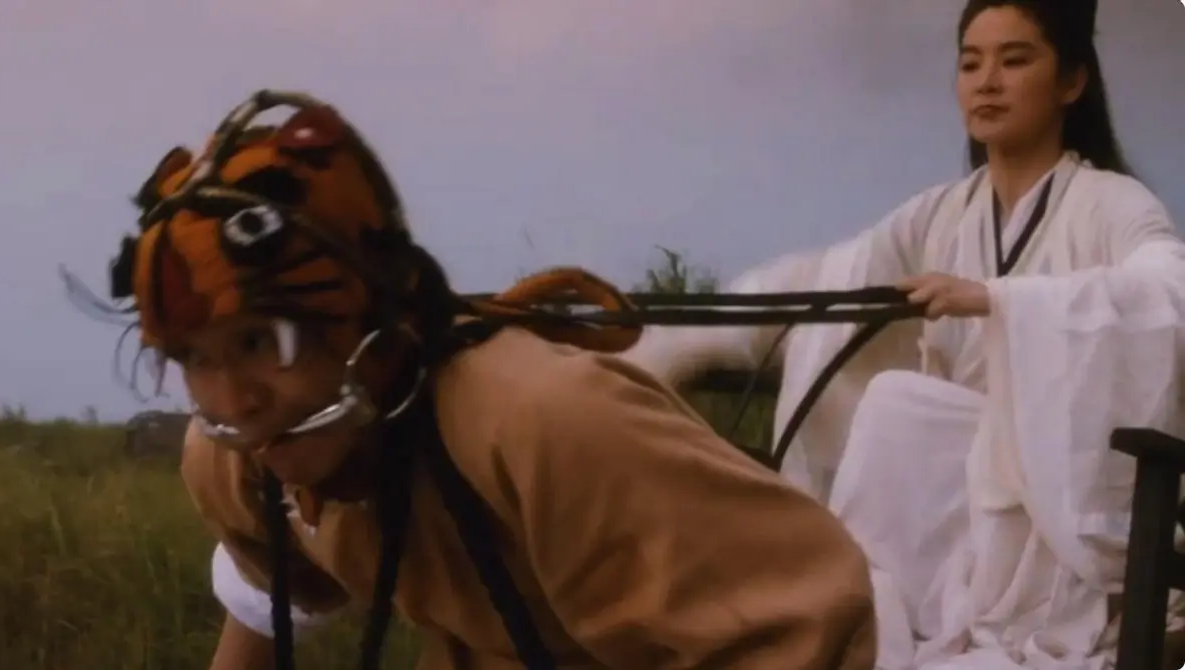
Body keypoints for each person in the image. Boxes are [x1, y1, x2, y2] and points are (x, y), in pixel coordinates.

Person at [77, 90, 879, 669]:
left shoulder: (545, 423)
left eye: (262, 341)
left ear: (365, 314)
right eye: (194, 357)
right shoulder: (238, 460)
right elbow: (267, 597)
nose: (233, 400)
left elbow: (808, 629)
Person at [620, 1, 1185, 668]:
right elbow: (828, 282)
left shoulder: (1111, 204)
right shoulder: (940, 215)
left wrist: (1000, 301)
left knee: (898, 406)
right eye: (970, 63)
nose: (987, 81)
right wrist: (656, 348)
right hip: (950, 520)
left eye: (1014, 60)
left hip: (1052, 519)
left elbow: (1168, 291)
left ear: (1071, 81)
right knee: (894, 414)